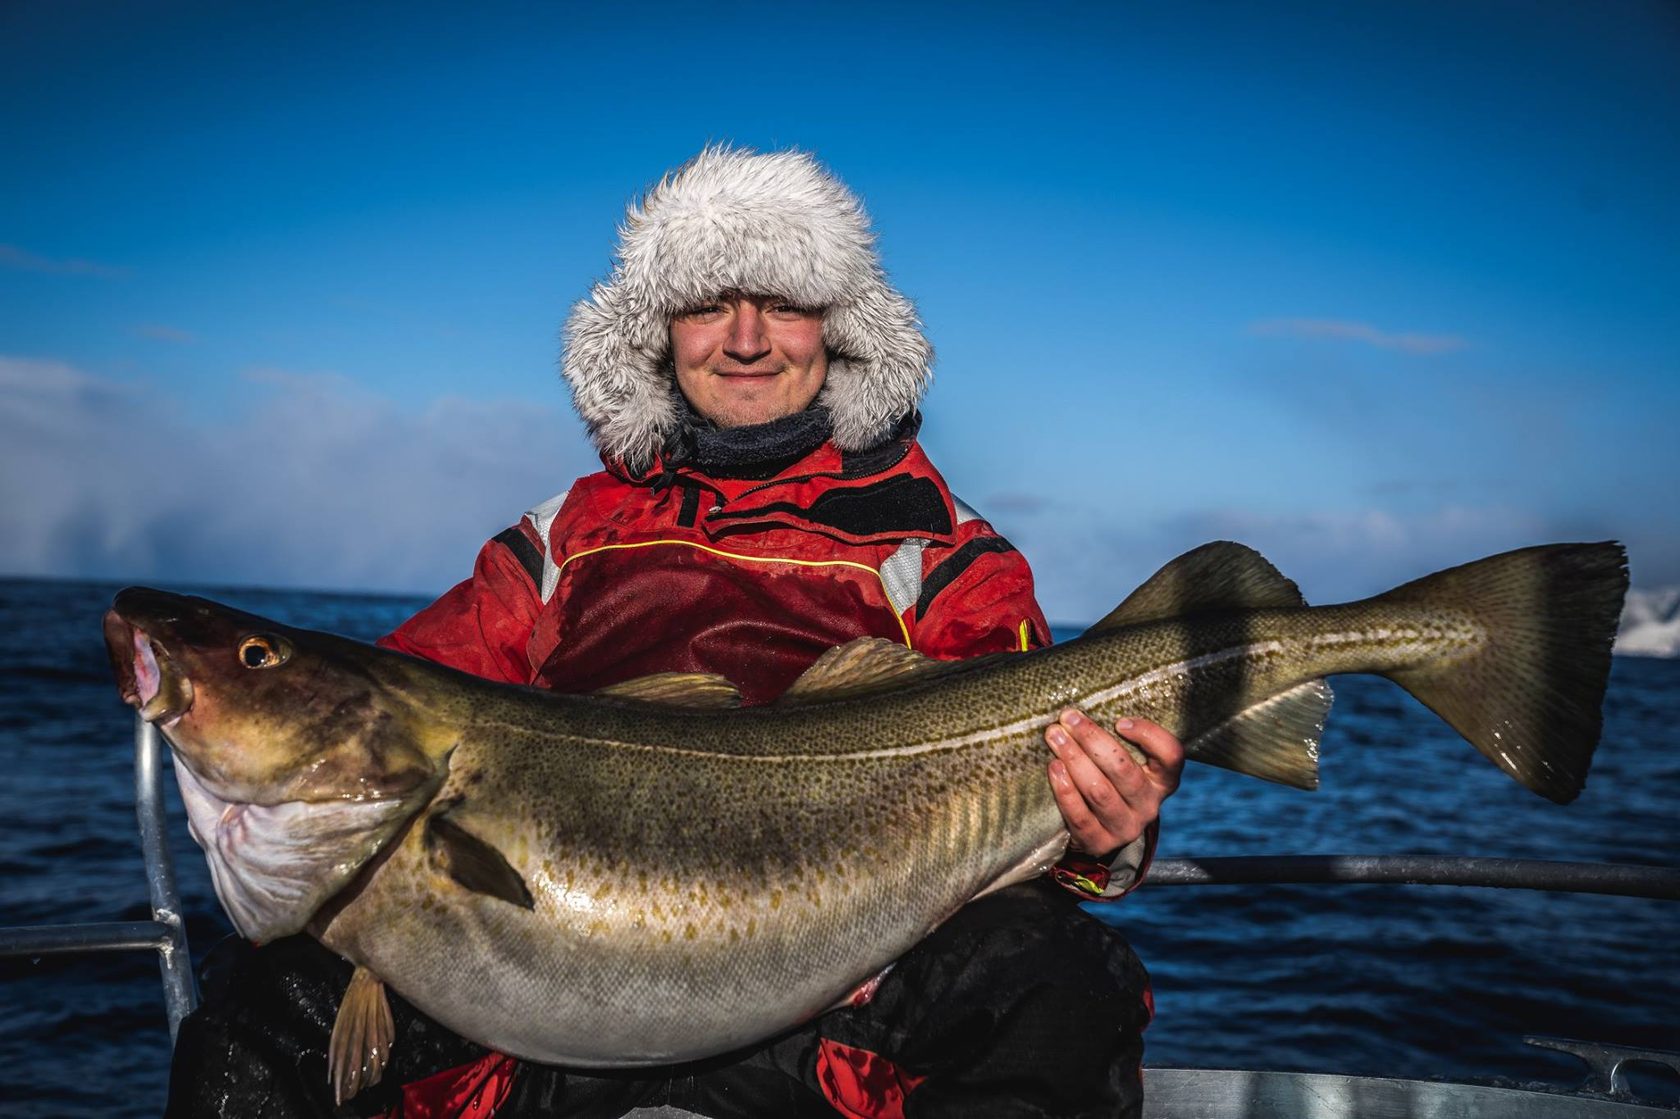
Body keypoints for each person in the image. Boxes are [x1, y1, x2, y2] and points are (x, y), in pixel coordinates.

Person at [166, 146, 1183, 1119]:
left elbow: (1036, 787)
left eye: (782, 303)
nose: (745, 339)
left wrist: (1107, 833)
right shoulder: (562, 539)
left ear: (837, 326)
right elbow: (402, 703)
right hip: (549, 997)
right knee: (270, 996)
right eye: (706, 305)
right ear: (657, 331)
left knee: (1060, 982)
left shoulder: (942, 549)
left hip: (848, 1008)